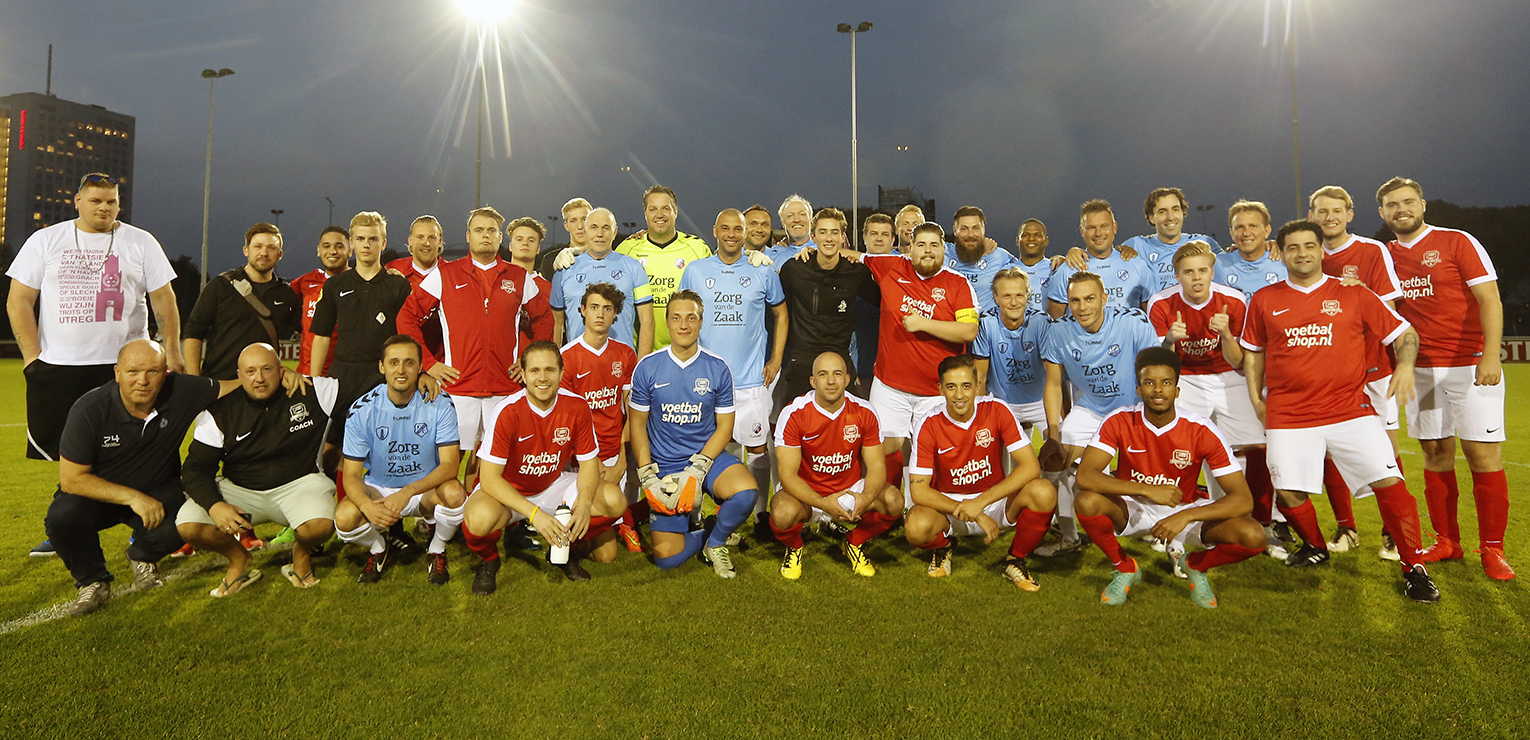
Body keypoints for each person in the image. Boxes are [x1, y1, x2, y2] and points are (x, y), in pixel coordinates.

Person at [1240, 219, 1439, 602]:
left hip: (1351, 411)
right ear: (1281, 253)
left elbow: (1405, 333)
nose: (1302, 253)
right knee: (1289, 492)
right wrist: (1256, 399)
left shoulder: (1354, 294)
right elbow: (1255, 352)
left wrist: (1406, 365)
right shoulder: (1264, 299)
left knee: (1390, 483)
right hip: (1289, 415)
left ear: (1320, 250)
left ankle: (1414, 566)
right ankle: (1315, 546)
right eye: (1293, 247)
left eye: (1309, 246)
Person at [43, 340, 266, 615]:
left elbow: (238, 386)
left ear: (166, 373)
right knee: (62, 516)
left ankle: (142, 556)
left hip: (160, 492)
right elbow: (72, 479)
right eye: (133, 372)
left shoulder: (182, 390)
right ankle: (92, 581)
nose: (143, 381)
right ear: (117, 373)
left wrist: (279, 376)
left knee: (190, 521)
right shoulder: (89, 408)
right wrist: (133, 498)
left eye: (153, 371)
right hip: (102, 495)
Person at [1379, 177, 1513, 580]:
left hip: (1471, 364)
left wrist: (1491, 354)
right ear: (1382, 213)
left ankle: (1493, 549)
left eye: (1407, 202)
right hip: (1421, 370)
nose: (1400, 209)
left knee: (1482, 454)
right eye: (1391, 204)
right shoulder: (1384, 256)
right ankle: (1447, 541)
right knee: (1435, 452)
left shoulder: (1457, 241)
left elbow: (1490, 298)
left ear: (1422, 205)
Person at [7, 173, 184, 462]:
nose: (104, 207)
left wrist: (173, 351)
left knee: (134, 450)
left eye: (111, 201)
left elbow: (163, 300)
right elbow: (18, 301)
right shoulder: (45, 240)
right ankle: (74, 503)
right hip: (62, 365)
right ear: (77, 201)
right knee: (68, 456)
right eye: (95, 201)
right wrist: (31, 357)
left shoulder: (141, 241)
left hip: (127, 367)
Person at [1072, 348, 1266, 608]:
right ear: (1139, 390)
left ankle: (1196, 565)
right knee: (1086, 502)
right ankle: (1125, 567)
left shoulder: (1201, 429)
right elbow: (1085, 476)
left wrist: (1185, 516)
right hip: (1134, 508)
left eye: (1166, 383)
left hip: (1184, 510)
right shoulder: (1118, 420)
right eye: (1149, 383)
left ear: (1177, 390)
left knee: (1253, 536)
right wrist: (1147, 489)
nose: (1158, 390)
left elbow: (1243, 500)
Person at [397, 206, 544, 494]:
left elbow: (543, 318)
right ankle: (437, 521)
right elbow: (406, 317)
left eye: (491, 230)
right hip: (458, 387)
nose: (485, 235)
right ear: (468, 236)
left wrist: (529, 361)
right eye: (479, 230)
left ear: (500, 236)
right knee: (448, 462)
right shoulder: (445, 274)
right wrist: (428, 363)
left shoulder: (518, 276)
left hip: (504, 388)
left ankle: (498, 522)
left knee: (503, 461)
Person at [177, 344, 341, 598]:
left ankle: (300, 555)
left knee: (320, 525)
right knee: (189, 524)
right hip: (241, 493)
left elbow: (360, 384)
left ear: (281, 370)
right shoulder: (219, 411)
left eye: (267, 369)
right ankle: (239, 560)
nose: (259, 378)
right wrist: (214, 506)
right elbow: (194, 470)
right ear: (239, 376)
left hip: (298, 485)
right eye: (250, 371)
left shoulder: (312, 392)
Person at [462, 341, 627, 592]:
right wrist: (535, 515)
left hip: (551, 484)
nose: (542, 377)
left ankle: (563, 547)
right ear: (524, 376)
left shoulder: (577, 406)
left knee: (615, 500)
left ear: (561, 373)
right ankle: (489, 561)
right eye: (535, 370)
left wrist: (583, 503)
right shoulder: (506, 411)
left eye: (550, 370)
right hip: (509, 492)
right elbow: (489, 478)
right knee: (478, 519)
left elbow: (588, 465)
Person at [1147, 244, 1278, 555]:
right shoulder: (1161, 303)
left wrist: (1227, 336)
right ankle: (1169, 524)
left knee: (1259, 445)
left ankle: (1265, 522)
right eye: (1188, 272)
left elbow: (1237, 360)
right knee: (1183, 450)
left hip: (1228, 377)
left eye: (1202, 271)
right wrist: (1169, 341)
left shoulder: (1232, 300)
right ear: (1177, 275)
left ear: (1211, 272)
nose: (1196, 278)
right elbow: (1163, 364)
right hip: (1187, 378)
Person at [628, 290, 761, 577]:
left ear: (701, 323)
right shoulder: (648, 367)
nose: (684, 325)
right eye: (676, 318)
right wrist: (648, 476)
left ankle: (715, 543)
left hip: (706, 459)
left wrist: (697, 470)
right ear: (667, 322)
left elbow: (725, 427)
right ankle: (708, 529)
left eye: (691, 317)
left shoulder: (718, 367)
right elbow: (637, 425)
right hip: (664, 465)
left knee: (745, 492)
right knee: (666, 557)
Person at [1310, 185, 1408, 558]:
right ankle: (1347, 528)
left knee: (1387, 446)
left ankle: (1391, 531)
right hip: (1326, 373)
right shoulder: (1305, 251)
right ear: (1312, 215)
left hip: (1373, 367)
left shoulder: (1371, 250)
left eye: (1336, 210)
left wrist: (1358, 290)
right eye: (1322, 211)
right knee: (1331, 451)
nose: (1329, 217)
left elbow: (1387, 310)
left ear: (1350, 214)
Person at [904, 355, 1056, 590]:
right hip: (950, 508)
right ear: (940, 389)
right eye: (951, 387)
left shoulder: (997, 410)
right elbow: (919, 491)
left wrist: (981, 503)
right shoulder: (929, 422)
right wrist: (972, 511)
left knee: (1044, 491)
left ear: (977, 386)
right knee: (916, 526)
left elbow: (1030, 467)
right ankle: (944, 546)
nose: (959, 395)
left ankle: (1015, 560)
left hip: (995, 500)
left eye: (966, 386)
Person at [1038, 272, 1161, 556]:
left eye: (1090, 299)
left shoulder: (1132, 322)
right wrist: (1053, 433)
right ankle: (1069, 538)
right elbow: (1054, 383)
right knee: (1058, 460)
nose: (1082, 307)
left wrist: (1152, 417)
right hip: (1092, 407)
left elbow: (1155, 373)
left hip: (1134, 408)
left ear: (1104, 299)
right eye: (1075, 301)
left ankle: (1163, 532)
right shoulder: (1058, 331)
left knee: (1154, 470)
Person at [863, 222, 981, 503]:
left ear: (944, 249)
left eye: (934, 245)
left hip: (935, 390)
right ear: (909, 249)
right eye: (921, 245)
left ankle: (922, 510)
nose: (927, 251)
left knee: (932, 452)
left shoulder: (958, 283)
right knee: (881, 449)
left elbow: (968, 331)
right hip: (890, 385)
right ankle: (886, 509)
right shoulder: (892, 268)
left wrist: (923, 324)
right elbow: (853, 256)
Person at [334, 336, 466, 585]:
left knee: (455, 494)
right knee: (344, 518)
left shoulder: (440, 403)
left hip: (423, 491)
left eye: (409, 362)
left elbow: (450, 465)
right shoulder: (362, 410)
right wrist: (367, 506)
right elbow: (350, 474)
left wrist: (408, 492)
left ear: (420, 367)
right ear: (382, 367)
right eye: (394, 363)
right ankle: (379, 548)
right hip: (380, 491)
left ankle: (436, 548)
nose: (401, 370)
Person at [680, 209, 787, 497]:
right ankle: (697, 515)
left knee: (756, 446)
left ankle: (760, 515)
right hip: (706, 381)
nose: (730, 234)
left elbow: (781, 314)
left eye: (737, 229)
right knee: (703, 450)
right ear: (714, 230)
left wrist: (775, 358)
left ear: (744, 233)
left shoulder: (762, 269)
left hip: (750, 380)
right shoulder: (695, 270)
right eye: (725, 228)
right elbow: (681, 317)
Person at [308, 212, 416, 488]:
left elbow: (408, 336)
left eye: (373, 239)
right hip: (342, 377)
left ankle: (384, 521)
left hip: (381, 377)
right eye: (360, 239)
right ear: (352, 244)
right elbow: (320, 335)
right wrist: (315, 379)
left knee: (381, 450)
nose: (367, 244)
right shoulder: (335, 285)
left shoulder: (398, 285)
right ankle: (325, 506)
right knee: (330, 449)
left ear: (383, 242)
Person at [771, 351, 900, 579]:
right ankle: (795, 547)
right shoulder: (793, 414)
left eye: (837, 374)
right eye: (823, 374)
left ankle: (853, 542)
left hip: (849, 492)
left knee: (894, 501)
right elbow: (788, 476)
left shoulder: (865, 411)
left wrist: (866, 497)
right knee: (781, 512)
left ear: (847, 379)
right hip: (808, 495)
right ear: (813, 381)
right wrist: (823, 503)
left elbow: (878, 468)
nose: (831, 381)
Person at [560, 283, 642, 552]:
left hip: (611, 453)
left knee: (606, 556)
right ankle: (619, 521)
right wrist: (590, 464)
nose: (600, 314)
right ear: (582, 310)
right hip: (578, 459)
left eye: (608, 309)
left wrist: (620, 459)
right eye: (594, 307)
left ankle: (621, 521)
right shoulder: (566, 358)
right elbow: (564, 420)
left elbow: (631, 411)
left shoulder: (625, 354)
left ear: (616, 314)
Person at [776, 209, 878, 409]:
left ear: (842, 237)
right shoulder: (794, 269)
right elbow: (775, 308)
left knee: (850, 430)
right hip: (801, 364)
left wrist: (858, 256)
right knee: (789, 431)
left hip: (839, 362)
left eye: (834, 232)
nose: (829, 238)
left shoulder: (855, 271)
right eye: (822, 232)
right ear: (813, 237)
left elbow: (886, 301)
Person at [183, 222, 300, 380]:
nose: (264, 253)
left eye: (271, 248)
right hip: (220, 383)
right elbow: (193, 332)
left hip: (263, 386)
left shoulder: (287, 294)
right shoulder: (221, 286)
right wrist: (194, 381)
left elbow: (309, 333)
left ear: (280, 254)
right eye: (258, 246)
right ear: (246, 250)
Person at [613, 186, 716, 354]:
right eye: (652, 209)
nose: (659, 214)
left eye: (665, 208)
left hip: (687, 352)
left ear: (675, 212)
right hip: (641, 353)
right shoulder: (626, 250)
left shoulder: (697, 249)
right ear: (645, 214)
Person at [549, 207, 653, 351]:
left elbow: (647, 322)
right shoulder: (565, 269)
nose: (599, 234)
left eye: (606, 228)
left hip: (621, 365)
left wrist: (641, 365)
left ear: (614, 232)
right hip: (577, 363)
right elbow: (557, 324)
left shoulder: (634, 267)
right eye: (594, 227)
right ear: (585, 231)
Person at [971, 268, 1049, 438]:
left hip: (1040, 403)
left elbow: (1054, 375)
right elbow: (980, 376)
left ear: (1027, 296)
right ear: (995, 297)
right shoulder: (985, 323)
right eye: (1007, 296)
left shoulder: (1041, 322)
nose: (1014, 302)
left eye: (1019, 295)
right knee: (995, 455)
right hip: (1001, 402)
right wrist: (978, 417)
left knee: (1061, 452)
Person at [1047, 200, 1156, 318]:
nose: (1098, 233)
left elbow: (1151, 316)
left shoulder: (1138, 265)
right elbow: (1056, 322)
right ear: (1082, 231)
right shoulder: (1067, 270)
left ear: (1114, 227)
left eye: (1104, 226)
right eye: (1091, 228)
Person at [1122, 187, 1223, 292]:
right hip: (1156, 308)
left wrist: (1235, 251)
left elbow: (1230, 266)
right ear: (1151, 217)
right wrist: (1120, 251)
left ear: (1183, 212)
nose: (1170, 217)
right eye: (1162, 212)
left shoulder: (1205, 243)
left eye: (1175, 209)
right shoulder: (1136, 246)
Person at [292, 226, 351, 378]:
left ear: (350, 251)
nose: (333, 251)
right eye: (326, 246)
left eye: (339, 246)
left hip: (343, 373)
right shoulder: (306, 281)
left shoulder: (359, 283)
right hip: (307, 373)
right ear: (318, 250)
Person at [385, 215, 446, 360]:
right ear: (410, 241)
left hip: (442, 363)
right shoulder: (392, 269)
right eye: (420, 237)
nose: (426, 242)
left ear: (440, 242)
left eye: (432, 237)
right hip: (401, 363)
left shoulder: (453, 275)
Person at [944, 206, 1019, 318]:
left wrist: (1053, 261)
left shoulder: (998, 255)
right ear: (955, 230)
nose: (970, 235)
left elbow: (1030, 266)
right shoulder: (942, 252)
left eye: (976, 228)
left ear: (983, 229)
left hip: (986, 329)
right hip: (951, 328)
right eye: (964, 229)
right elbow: (912, 249)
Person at [851, 213, 894, 395]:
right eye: (874, 233)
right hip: (858, 370)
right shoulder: (849, 270)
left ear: (893, 240)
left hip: (894, 372)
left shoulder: (907, 273)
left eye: (884, 234)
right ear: (864, 238)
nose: (878, 238)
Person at [504, 216, 555, 352]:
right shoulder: (496, 281)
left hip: (533, 360)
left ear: (538, 248)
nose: (525, 243)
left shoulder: (548, 289)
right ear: (510, 246)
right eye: (519, 239)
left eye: (531, 240)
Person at [1213, 201, 1286, 295]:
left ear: (1267, 231)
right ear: (1232, 233)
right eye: (1239, 227)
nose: (1246, 233)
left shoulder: (1285, 264)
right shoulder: (1217, 265)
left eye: (1253, 226)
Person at [536, 197, 592, 280]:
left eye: (584, 219)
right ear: (566, 226)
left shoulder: (605, 257)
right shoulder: (550, 260)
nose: (580, 226)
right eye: (573, 221)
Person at [1015, 219, 1056, 315]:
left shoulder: (1055, 269)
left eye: (1037, 235)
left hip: (1046, 328)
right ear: (1017, 241)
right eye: (1025, 235)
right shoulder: (1007, 271)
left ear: (1046, 241)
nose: (1031, 239)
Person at [762, 194, 815, 266]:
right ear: (783, 223)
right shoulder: (772, 255)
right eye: (790, 216)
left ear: (811, 220)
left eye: (802, 214)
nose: (797, 219)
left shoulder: (825, 250)